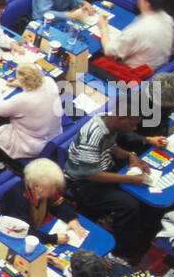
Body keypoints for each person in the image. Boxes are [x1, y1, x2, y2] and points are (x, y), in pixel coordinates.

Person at [63, 111, 161, 261]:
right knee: (129, 205)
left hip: (105, 169)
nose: (134, 128)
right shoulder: (93, 134)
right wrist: (130, 179)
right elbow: (92, 175)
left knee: (141, 189)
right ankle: (123, 252)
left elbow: (113, 148)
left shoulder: (109, 123)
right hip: (83, 184)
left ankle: (140, 229)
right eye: (132, 123)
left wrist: (131, 156)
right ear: (120, 118)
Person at [0, 157, 83, 245]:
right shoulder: (19, 200)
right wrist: (52, 239)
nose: (54, 190)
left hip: (35, 229)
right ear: (37, 187)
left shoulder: (44, 189)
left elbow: (57, 204)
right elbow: (22, 231)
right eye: (52, 187)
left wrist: (71, 218)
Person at [95, 0, 174, 72]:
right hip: (159, 68)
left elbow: (108, 50)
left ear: (147, 4)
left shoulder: (138, 29)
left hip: (135, 75)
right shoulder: (169, 20)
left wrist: (103, 28)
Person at [0, 62, 63, 159]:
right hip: (56, 135)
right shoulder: (50, 81)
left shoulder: (22, 99)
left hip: (33, 146)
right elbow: (38, 86)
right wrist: (20, 83)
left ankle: (1, 161)